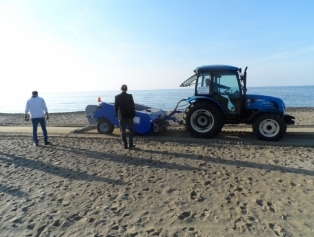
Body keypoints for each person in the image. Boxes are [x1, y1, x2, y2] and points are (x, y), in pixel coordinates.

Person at [114, 84, 136, 149]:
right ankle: (131, 144)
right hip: (129, 116)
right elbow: (133, 106)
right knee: (131, 130)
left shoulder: (117, 97)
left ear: (121, 89)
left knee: (122, 131)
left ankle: (125, 145)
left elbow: (116, 107)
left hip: (121, 116)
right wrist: (133, 114)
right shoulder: (130, 96)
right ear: (126, 89)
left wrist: (116, 116)